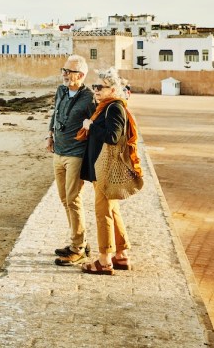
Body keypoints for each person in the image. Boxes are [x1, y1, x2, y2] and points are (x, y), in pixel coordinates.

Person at [77, 67, 142, 275]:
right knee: (112, 210)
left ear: (112, 89)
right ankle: (121, 255)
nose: (95, 91)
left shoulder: (114, 108)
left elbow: (113, 136)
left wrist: (90, 126)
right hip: (101, 167)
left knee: (102, 213)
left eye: (99, 87)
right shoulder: (106, 106)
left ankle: (104, 260)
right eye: (94, 87)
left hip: (105, 169)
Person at [47, 55, 96, 266]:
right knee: (64, 199)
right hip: (58, 151)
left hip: (76, 153)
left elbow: (96, 122)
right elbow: (55, 113)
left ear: (81, 75)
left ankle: (78, 248)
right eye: (64, 70)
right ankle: (79, 241)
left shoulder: (89, 98)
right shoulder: (61, 91)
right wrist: (49, 135)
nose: (65, 74)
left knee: (73, 200)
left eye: (69, 71)